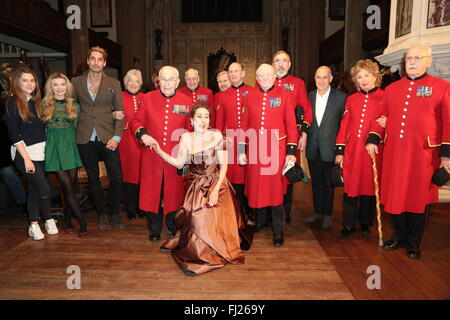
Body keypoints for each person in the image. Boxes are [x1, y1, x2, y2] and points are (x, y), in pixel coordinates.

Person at [366, 45, 450, 259]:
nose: (411, 62)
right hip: (395, 152)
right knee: (395, 194)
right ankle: (399, 235)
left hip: (423, 154)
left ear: (428, 61)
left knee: (417, 197)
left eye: (417, 58)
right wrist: (374, 137)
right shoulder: (393, 88)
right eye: (408, 58)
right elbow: (381, 115)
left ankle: (414, 240)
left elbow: (448, 121)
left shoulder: (442, 86)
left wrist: (446, 154)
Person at [153, 104, 253, 276]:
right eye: (199, 116)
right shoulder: (185, 138)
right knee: (195, 219)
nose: (203, 120)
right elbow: (179, 163)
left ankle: (211, 254)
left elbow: (224, 167)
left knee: (207, 218)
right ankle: (197, 252)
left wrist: (215, 190)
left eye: (206, 116)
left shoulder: (217, 136)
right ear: (191, 120)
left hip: (217, 184)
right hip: (195, 185)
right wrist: (159, 151)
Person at [240, 64, 298, 246]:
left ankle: (278, 231)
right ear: (256, 77)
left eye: (268, 75)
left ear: (274, 76)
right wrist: (242, 150)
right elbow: (244, 125)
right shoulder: (249, 97)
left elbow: (291, 124)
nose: (264, 78)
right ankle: (260, 222)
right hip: (256, 149)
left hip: (277, 149)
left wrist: (291, 152)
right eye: (261, 75)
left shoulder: (285, 95)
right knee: (257, 187)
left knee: (275, 190)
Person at [131, 66, 192, 242]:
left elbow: (189, 129)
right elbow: (136, 121)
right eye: (163, 79)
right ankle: (155, 228)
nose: (166, 83)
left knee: (174, 193)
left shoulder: (186, 100)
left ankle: (173, 225)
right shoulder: (147, 98)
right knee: (152, 194)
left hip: (175, 156)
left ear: (177, 82)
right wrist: (143, 134)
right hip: (152, 155)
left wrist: (186, 155)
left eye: (170, 79)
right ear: (158, 81)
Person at [72, 46, 125, 231]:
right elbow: (72, 109)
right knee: (93, 178)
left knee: (116, 177)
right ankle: (102, 213)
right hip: (85, 137)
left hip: (108, 136)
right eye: (92, 59)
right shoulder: (76, 82)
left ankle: (114, 213)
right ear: (88, 61)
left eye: (99, 59)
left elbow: (120, 112)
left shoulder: (114, 83)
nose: (96, 62)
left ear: (104, 62)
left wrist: (117, 137)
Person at [3, 66, 56, 240]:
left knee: (35, 189)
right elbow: (14, 134)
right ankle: (47, 218)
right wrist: (26, 159)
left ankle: (35, 224)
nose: (29, 83)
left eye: (32, 80)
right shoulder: (12, 102)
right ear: (17, 82)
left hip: (40, 152)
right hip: (23, 154)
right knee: (44, 188)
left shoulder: (35, 101)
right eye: (25, 80)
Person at [334, 60, 384, 238]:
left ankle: (364, 221)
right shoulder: (351, 99)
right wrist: (340, 151)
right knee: (350, 186)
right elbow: (344, 125)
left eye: (366, 75)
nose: (363, 80)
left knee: (369, 187)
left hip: (372, 150)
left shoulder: (384, 97)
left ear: (375, 76)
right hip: (352, 150)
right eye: (359, 76)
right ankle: (348, 224)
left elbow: (384, 124)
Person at [41, 72, 88, 237]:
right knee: (67, 188)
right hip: (54, 148)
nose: (59, 88)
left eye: (62, 84)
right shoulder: (44, 104)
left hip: (70, 147)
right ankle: (82, 222)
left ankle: (67, 220)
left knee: (72, 188)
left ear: (67, 87)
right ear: (51, 87)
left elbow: (75, 128)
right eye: (55, 85)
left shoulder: (74, 104)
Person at [272, 50, 313, 223]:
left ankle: (285, 212)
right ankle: (270, 211)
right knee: (271, 175)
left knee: (287, 175)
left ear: (289, 64)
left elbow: (306, 109)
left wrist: (303, 134)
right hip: (271, 140)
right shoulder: (266, 81)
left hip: (290, 137)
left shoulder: (298, 83)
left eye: (284, 61)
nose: (280, 64)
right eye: (277, 61)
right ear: (272, 64)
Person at [304, 66, 347, 229]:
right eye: (317, 77)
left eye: (324, 77)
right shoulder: (309, 97)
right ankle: (318, 211)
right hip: (313, 146)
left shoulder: (341, 98)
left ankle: (327, 214)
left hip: (331, 147)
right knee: (316, 182)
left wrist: (340, 150)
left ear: (330, 79)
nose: (320, 81)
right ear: (314, 79)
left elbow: (344, 125)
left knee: (329, 182)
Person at [215, 62, 254, 219]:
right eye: (230, 72)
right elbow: (219, 122)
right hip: (230, 142)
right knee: (234, 177)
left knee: (250, 177)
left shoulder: (253, 92)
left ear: (243, 73)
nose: (233, 74)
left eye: (236, 71)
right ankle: (235, 212)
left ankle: (251, 211)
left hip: (251, 141)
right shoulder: (223, 95)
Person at [118, 69, 145, 220]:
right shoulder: (119, 97)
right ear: (125, 83)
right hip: (126, 142)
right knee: (129, 176)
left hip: (142, 141)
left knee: (143, 175)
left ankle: (141, 207)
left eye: (136, 81)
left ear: (140, 83)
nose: (133, 84)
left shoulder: (145, 97)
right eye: (130, 81)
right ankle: (130, 207)